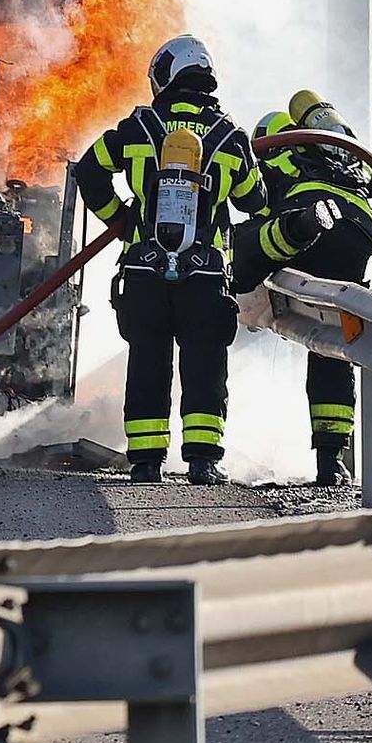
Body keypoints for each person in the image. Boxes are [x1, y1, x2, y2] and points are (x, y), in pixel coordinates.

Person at [233, 92, 372, 488]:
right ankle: (331, 461)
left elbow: (252, 208)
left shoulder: (271, 157)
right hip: (357, 242)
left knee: (238, 247)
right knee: (332, 340)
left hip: (305, 234)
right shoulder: (351, 157)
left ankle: (234, 303)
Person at [76, 35, 267, 484]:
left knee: (148, 360)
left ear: (165, 75)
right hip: (204, 277)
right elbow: (254, 200)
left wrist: (120, 219)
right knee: (204, 364)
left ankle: (145, 461)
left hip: (144, 273)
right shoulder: (229, 135)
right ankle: (202, 461)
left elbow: (89, 170)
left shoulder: (141, 126)